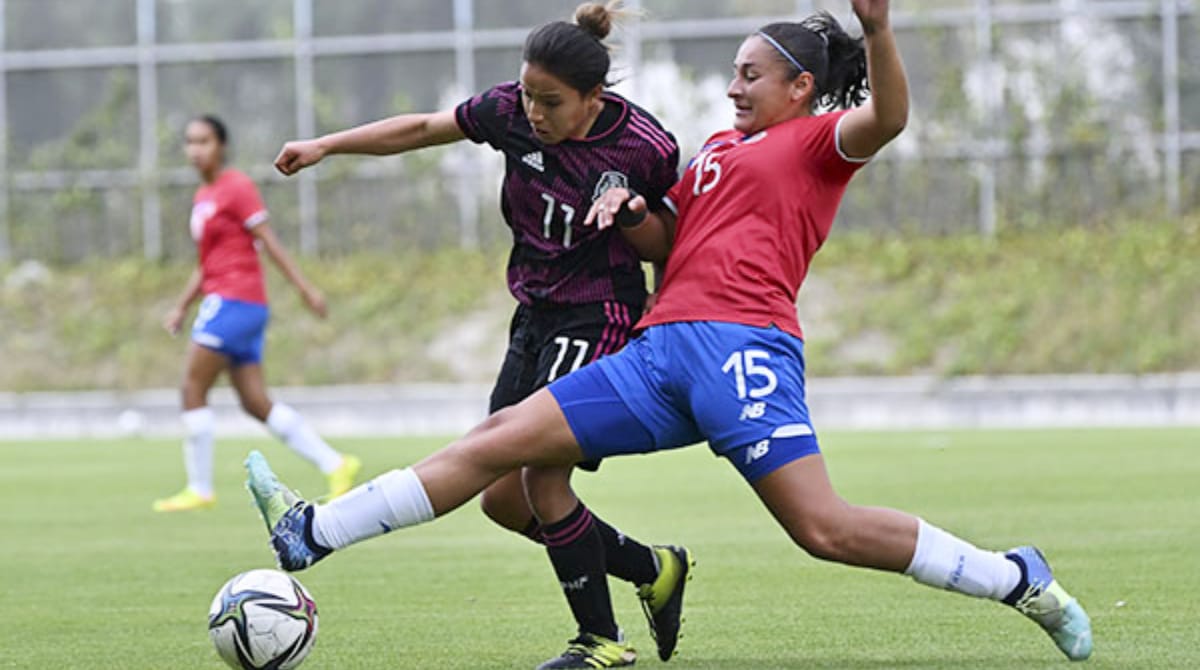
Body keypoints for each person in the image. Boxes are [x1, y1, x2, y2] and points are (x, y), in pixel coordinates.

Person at [247, 0, 1094, 665]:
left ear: (799, 87)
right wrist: (637, 211)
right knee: (499, 443)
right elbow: (668, 242)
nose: (733, 87)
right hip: (658, 349)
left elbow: (890, 119)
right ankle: (317, 532)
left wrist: (877, 32)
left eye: (751, 75)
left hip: (742, 351)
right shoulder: (719, 149)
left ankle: (1015, 576)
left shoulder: (815, 145)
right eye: (734, 72)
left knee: (823, 530)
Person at [269, 4, 690, 667]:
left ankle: (602, 644)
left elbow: (671, 237)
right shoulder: (508, 113)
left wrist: (644, 248)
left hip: (599, 314)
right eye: (526, 94)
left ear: (594, 100)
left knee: (543, 478)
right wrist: (328, 144)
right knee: (502, 500)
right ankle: (653, 568)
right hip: (534, 316)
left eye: (550, 102)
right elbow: (421, 128)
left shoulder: (644, 145)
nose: (533, 113)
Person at [152, 115, 361, 513]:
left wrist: (305, 289)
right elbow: (207, 263)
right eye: (190, 142)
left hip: (234, 301)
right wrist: (182, 305)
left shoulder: (236, 187)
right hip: (235, 303)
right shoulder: (204, 195)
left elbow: (269, 241)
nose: (196, 150)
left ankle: (199, 488)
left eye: (204, 141)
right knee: (255, 401)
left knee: (192, 389)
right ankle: (336, 464)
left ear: (222, 146)